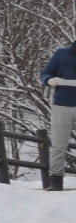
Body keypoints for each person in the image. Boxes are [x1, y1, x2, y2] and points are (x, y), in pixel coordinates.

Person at [43, 38, 76, 186]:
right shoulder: (61, 54)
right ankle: (55, 181)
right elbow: (46, 73)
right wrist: (50, 80)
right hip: (62, 104)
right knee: (58, 144)